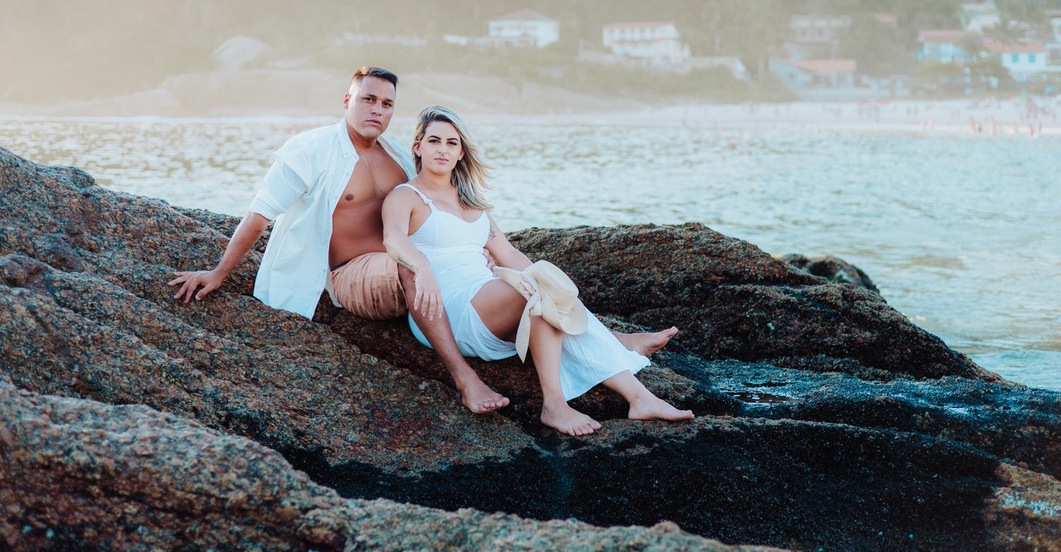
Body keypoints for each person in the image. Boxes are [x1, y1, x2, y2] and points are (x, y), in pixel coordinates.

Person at [168, 66, 512, 414]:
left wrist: (475, 252)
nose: (377, 110)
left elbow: (433, 213)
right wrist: (219, 273)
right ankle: (465, 380)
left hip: (406, 265)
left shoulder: (400, 160)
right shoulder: (310, 150)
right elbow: (260, 214)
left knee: (439, 268)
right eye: (368, 99)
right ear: (348, 100)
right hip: (353, 273)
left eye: (387, 104)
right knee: (411, 265)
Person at [382, 105, 693, 436]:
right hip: (448, 308)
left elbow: (508, 254)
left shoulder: (470, 202)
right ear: (418, 147)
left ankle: (640, 398)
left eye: (451, 143)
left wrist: (550, 286)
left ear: (461, 153)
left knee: (546, 291)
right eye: (434, 141)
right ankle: (558, 402)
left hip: (489, 304)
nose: (442, 149)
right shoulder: (406, 196)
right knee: (538, 291)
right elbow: (393, 238)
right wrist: (422, 267)